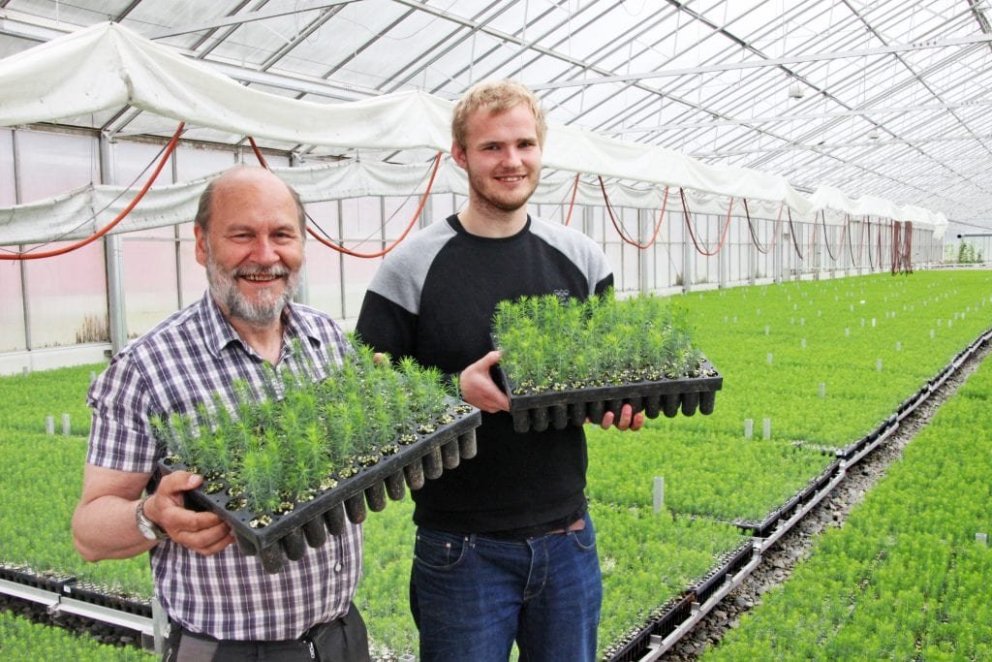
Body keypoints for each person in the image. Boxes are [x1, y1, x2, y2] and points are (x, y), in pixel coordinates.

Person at [355, 79, 643, 662]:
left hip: (568, 538)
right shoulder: (409, 268)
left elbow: (602, 374)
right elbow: (364, 400)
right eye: (491, 147)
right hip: (460, 549)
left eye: (524, 144)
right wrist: (451, 392)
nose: (511, 161)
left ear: (541, 149)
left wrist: (619, 402)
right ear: (459, 156)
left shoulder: (581, 259)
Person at [71, 166, 370, 662]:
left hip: (340, 638)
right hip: (229, 652)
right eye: (242, 236)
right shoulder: (146, 368)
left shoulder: (327, 339)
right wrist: (153, 516)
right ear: (202, 245)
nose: (265, 256)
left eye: (282, 235)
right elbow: (88, 530)